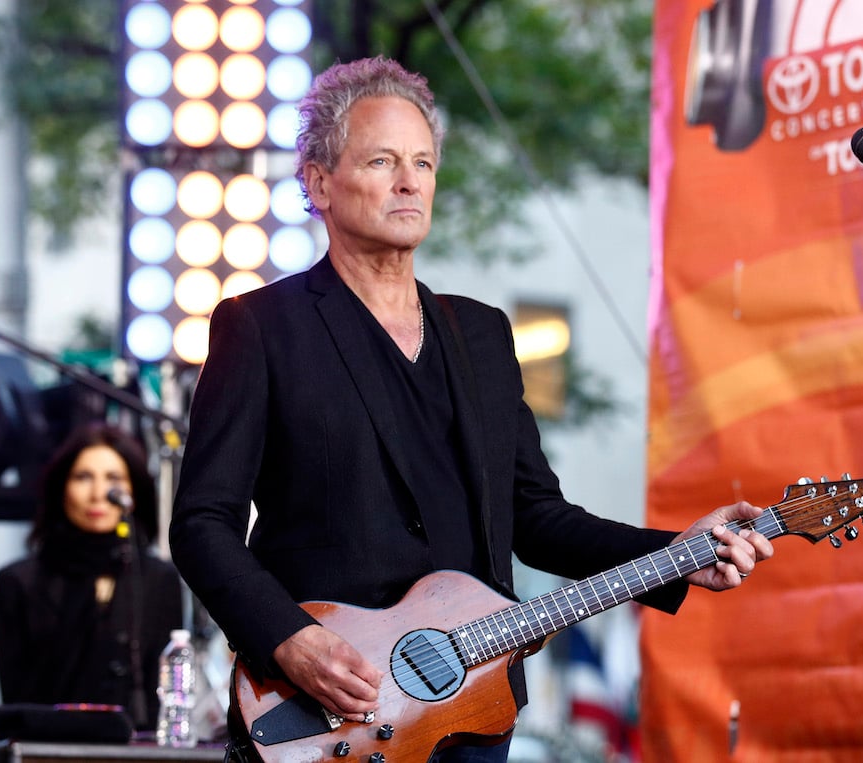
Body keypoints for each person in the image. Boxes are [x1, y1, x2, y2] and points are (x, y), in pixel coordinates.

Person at [168, 56, 774, 763]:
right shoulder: (260, 326)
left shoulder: (481, 332)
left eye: (423, 162)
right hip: (329, 713)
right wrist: (288, 638)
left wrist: (672, 554)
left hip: (475, 704)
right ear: (318, 182)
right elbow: (202, 523)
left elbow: (539, 517)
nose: (409, 181)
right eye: (382, 160)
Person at [0, 422, 184, 732]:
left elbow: (158, 693)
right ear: (61, 487)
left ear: (133, 490)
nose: (98, 494)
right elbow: (17, 696)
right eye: (83, 477)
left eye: (113, 479)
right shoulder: (18, 581)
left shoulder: (156, 579)